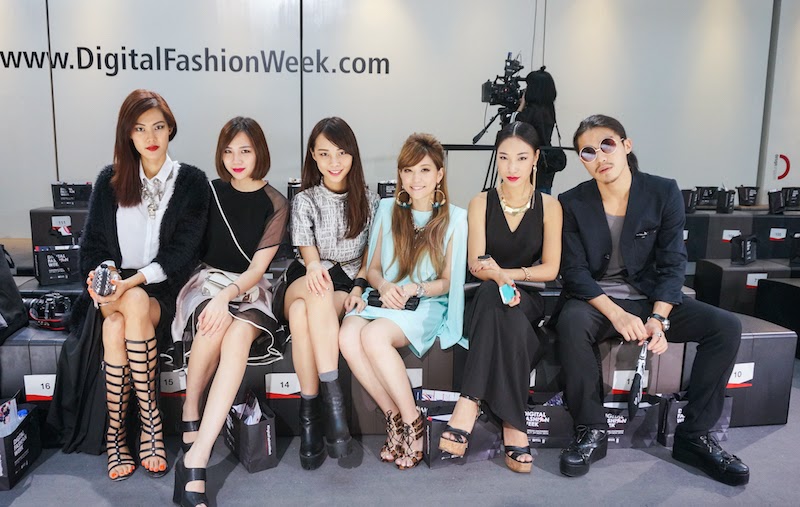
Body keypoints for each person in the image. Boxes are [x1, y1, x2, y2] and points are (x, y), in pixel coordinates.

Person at [555, 114, 749, 485]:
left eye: (607, 144)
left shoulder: (662, 192)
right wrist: (617, 315)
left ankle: (694, 437)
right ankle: (591, 430)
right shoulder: (572, 201)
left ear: (626, 145)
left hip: (647, 298)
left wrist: (659, 319)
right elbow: (575, 272)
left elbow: (674, 263)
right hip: (596, 301)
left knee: (725, 327)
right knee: (571, 322)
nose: (600, 156)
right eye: (588, 152)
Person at [47, 89, 209, 481]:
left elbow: (183, 253)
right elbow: (93, 246)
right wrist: (102, 276)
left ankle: (118, 434)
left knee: (121, 321)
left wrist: (133, 281)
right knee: (125, 303)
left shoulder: (191, 181)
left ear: (170, 129)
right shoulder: (111, 180)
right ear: (128, 134)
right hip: (112, 289)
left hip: (161, 289)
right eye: (139, 128)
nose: (150, 136)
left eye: (158, 126)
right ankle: (151, 422)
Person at [171, 117, 288, 506]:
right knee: (212, 323)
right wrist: (215, 297)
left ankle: (196, 457)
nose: (236, 159)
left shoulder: (276, 203)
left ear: (259, 153)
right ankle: (191, 406)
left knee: (237, 333)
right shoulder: (209, 192)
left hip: (250, 287)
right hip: (208, 281)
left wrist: (228, 297)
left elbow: (257, 270)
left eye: (245, 151)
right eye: (228, 151)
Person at [339, 133, 468, 470]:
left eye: (424, 170)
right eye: (408, 171)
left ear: (439, 174)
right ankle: (394, 417)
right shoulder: (387, 208)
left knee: (373, 336)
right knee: (347, 335)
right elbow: (373, 269)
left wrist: (414, 289)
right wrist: (384, 286)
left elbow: (447, 282)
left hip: (425, 302)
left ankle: (414, 423)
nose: (415, 179)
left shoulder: (456, 218)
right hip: (384, 297)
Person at [438, 121, 562, 473]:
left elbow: (550, 268)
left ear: (535, 159)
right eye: (504, 157)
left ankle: (469, 401)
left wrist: (510, 275)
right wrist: (497, 277)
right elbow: (477, 264)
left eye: (521, 158)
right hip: (486, 293)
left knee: (508, 308)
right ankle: (514, 424)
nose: (512, 166)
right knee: (498, 301)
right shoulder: (481, 202)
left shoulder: (550, 206)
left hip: (528, 295)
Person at [274, 117, 379, 469]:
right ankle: (335, 409)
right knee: (314, 293)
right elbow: (310, 259)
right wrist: (314, 266)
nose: (334, 162)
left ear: (353, 155)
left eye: (341, 153)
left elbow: (369, 259)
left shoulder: (370, 201)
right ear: (313, 156)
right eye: (324, 154)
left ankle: (309, 419)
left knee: (303, 316)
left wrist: (360, 287)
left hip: (344, 284)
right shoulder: (305, 200)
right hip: (305, 279)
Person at [513, 66, 566, 194]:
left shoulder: (532, 112)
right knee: (543, 200)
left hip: (532, 168)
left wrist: (521, 106)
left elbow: (514, 129)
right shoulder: (549, 109)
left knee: (534, 201)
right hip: (544, 167)